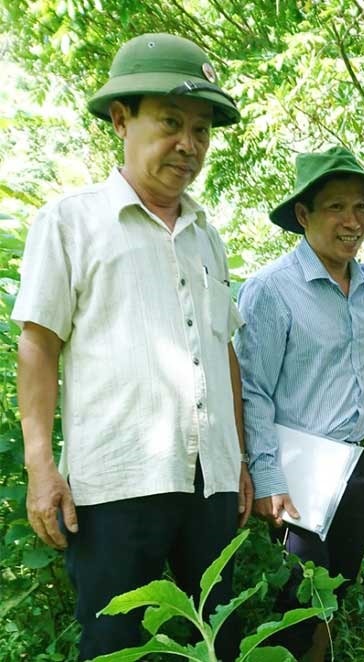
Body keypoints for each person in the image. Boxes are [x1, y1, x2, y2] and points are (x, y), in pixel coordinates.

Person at [13, 33, 253, 660]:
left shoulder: (207, 235)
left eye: (201, 129)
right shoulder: (71, 222)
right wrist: (42, 466)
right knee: (117, 643)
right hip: (118, 481)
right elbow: (38, 344)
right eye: (171, 122)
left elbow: (221, 346)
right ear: (122, 119)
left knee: (218, 638)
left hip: (211, 482)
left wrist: (240, 459)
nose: (190, 144)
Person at [234, 145, 364, 660]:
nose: (352, 221)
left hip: (354, 464)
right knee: (300, 596)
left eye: (361, 208)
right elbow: (252, 390)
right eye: (337, 206)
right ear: (303, 214)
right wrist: (267, 478)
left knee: (335, 589)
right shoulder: (271, 291)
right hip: (296, 471)